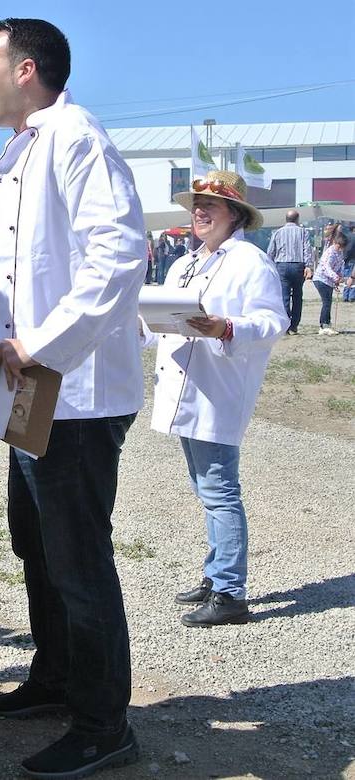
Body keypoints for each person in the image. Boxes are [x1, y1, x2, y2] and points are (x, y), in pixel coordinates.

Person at [0, 18, 146, 779]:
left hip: (75, 395)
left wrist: (40, 344)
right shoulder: (23, 151)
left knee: (78, 560)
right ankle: (57, 677)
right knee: (37, 544)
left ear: (27, 70)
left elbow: (120, 256)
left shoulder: (76, 136)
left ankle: (103, 724)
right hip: (34, 395)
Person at [147, 170, 288, 627]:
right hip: (184, 389)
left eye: (211, 205)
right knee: (205, 489)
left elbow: (272, 322)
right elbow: (161, 320)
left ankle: (230, 591)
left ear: (235, 214)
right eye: (196, 205)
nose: (199, 212)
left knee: (220, 491)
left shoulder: (250, 261)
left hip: (216, 392)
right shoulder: (184, 263)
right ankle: (216, 575)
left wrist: (226, 327)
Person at [266, 210, 313, 334]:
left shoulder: (278, 232)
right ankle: (294, 325)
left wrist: (270, 267)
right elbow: (307, 249)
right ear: (297, 220)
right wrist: (308, 266)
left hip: (282, 265)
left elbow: (270, 252)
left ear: (286, 219)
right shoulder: (303, 232)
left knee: (284, 297)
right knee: (297, 296)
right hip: (298, 265)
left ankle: (285, 325)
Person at [313, 230, 347, 335]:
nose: (340, 248)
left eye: (342, 247)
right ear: (335, 243)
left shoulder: (339, 253)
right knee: (326, 302)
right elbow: (326, 267)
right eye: (339, 246)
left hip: (329, 281)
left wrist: (337, 280)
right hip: (321, 279)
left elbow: (339, 266)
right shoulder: (330, 252)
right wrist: (335, 277)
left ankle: (327, 323)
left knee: (328, 302)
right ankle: (323, 325)